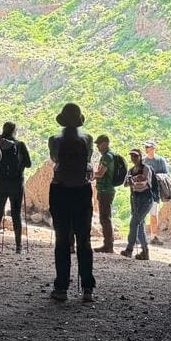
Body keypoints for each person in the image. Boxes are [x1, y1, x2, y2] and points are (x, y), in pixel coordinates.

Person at [46, 103, 96, 303]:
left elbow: (54, 158)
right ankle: (87, 288)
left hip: (60, 191)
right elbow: (89, 159)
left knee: (62, 240)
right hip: (82, 191)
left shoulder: (54, 140)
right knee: (84, 239)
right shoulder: (88, 139)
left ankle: (61, 287)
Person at [0, 121, 31, 253]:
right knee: (16, 214)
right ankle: (19, 247)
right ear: (14, 131)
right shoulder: (19, 145)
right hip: (16, 184)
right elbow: (28, 163)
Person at [93, 134, 123, 254]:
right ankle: (107, 244)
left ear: (105, 143)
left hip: (106, 190)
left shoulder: (107, 157)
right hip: (105, 190)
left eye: (99, 144)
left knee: (105, 218)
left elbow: (100, 173)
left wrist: (90, 175)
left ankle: (108, 245)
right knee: (105, 217)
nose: (98, 147)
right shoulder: (108, 156)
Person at [122, 148, 153, 261]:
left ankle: (129, 249)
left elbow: (145, 182)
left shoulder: (146, 169)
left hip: (145, 199)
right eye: (132, 156)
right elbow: (125, 183)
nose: (134, 158)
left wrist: (134, 181)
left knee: (134, 223)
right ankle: (145, 252)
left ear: (140, 157)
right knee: (139, 225)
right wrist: (131, 180)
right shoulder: (131, 170)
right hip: (136, 199)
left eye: (136, 156)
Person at [142, 140, 171, 244]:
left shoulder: (160, 161)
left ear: (153, 148)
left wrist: (156, 177)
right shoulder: (143, 161)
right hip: (143, 191)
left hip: (154, 192)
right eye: (145, 147)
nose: (146, 148)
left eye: (148, 147)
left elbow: (167, 175)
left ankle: (153, 237)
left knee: (153, 214)